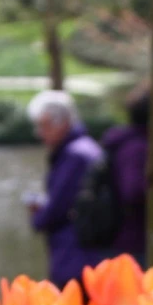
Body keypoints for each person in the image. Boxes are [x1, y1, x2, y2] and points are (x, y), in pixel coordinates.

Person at [26, 89, 107, 289]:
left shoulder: (74, 156)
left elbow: (57, 209)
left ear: (61, 122)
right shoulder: (87, 147)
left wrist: (37, 216)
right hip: (91, 253)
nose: (39, 134)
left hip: (76, 257)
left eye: (43, 126)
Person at [98, 86, 149, 264]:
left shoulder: (128, 142)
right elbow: (133, 190)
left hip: (125, 239)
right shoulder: (137, 147)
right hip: (132, 242)